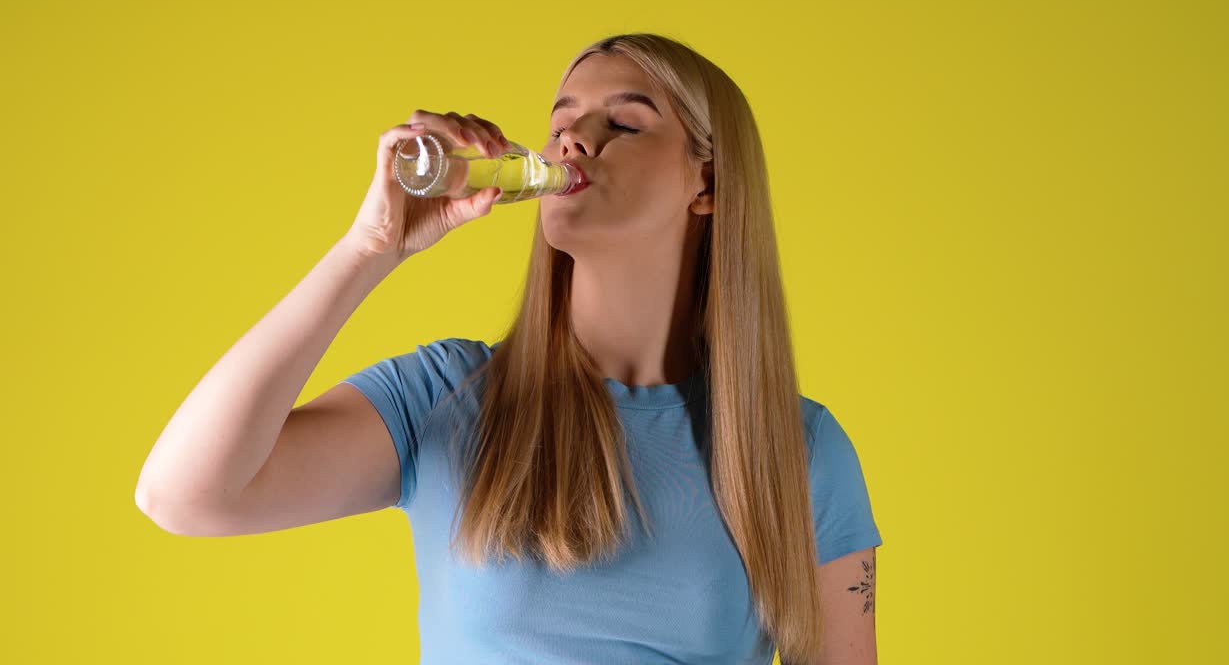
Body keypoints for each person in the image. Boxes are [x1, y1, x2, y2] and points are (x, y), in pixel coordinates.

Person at [136, 33, 883, 665]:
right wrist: (370, 248)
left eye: (625, 123)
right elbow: (183, 495)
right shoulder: (446, 396)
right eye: (564, 119)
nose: (575, 139)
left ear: (708, 183)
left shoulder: (799, 448)